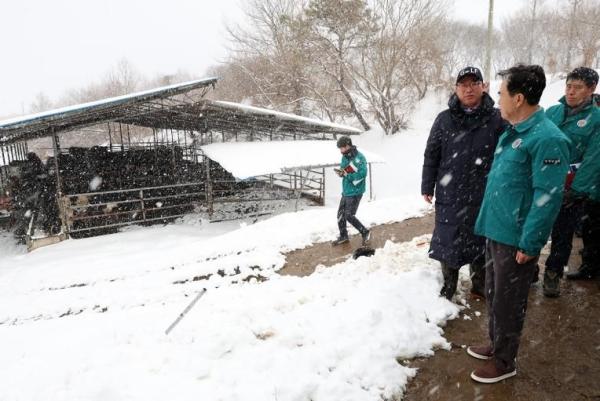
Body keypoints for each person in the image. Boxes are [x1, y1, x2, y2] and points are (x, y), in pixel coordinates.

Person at [467, 64, 570, 383]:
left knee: (509, 303)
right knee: (494, 293)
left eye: (501, 93)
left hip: (516, 238)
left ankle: (504, 360)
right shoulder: (513, 131)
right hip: (496, 230)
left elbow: (548, 196)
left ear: (519, 98)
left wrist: (530, 243)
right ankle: (496, 343)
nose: (497, 99)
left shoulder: (548, 139)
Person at [421, 66, 505, 300]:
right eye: (463, 85)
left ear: (483, 86)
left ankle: (479, 284)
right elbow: (432, 154)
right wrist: (427, 185)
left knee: (481, 239)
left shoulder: (497, 118)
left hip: (485, 192)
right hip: (451, 193)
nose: (469, 89)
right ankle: (449, 285)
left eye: (473, 84)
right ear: (456, 89)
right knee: (449, 240)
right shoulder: (444, 119)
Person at [543, 67, 600, 296]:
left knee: (563, 234)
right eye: (568, 86)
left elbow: (594, 159)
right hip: (545, 184)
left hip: (571, 189)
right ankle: (526, 272)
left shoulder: (596, 120)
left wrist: (577, 190)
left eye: (578, 87)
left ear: (591, 89)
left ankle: (553, 273)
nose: (571, 92)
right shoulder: (552, 112)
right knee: (536, 228)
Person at [332, 136, 370, 246]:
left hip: (356, 191)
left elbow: (362, 174)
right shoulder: (344, 157)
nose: (341, 151)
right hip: (346, 190)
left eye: (342, 148)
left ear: (348, 146)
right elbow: (344, 171)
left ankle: (365, 232)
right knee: (340, 214)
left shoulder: (360, 158)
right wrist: (341, 173)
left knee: (349, 215)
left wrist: (347, 175)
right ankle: (343, 236)